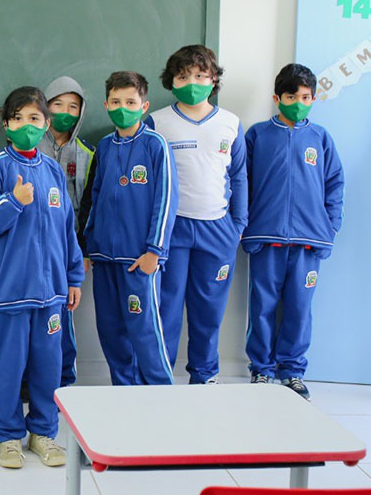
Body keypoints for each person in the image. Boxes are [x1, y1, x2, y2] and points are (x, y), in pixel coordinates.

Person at [0, 87, 84, 469]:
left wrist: (73, 278)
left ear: (46, 124)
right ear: (6, 124)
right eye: (17, 118)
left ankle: (43, 433)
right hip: (10, 292)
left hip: (51, 292)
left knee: (47, 367)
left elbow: (67, 230)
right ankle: (8, 436)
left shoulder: (53, 171)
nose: (26, 126)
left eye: (34, 119)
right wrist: (14, 203)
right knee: (9, 367)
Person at [145, 45, 247, 384]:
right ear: (171, 80)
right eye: (183, 75)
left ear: (214, 79)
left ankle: (204, 377)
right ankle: (162, 379)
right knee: (167, 310)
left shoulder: (230, 123)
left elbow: (240, 176)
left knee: (209, 312)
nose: (193, 82)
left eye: (201, 76)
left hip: (217, 229)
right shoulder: (156, 121)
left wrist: (238, 226)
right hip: (172, 230)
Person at [242, 64, 344, 399]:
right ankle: (262, 369)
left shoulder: (321, 138)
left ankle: (293, 371)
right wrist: (246, 228)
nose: (297, 102)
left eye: (304, 97)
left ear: (314, 98)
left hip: (308, 243)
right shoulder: (258, 135)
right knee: (262, 307)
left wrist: (329, 229)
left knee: (300, 308)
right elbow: (244, 184)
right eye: (290, 96)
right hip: (266, 239)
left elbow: (334, 185)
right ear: (277, 98)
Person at [84, 71, 177, 387]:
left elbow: (166, 200)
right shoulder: (105, 146)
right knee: (111, 333)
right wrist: (88, 247)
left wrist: (154, 251)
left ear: (144, 105)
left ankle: (163, 399)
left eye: (130, 101)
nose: (122, 107)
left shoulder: (156, 145)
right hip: (104, 258)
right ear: (106, 104)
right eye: (115, 101)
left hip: (139, 260)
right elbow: (93, 197)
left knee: (145, 333)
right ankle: (124, 396)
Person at [38, 76, 95, 388]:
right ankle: (27, 385)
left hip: (67, 251)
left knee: (62, 318)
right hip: (30, 250)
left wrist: (83, 252)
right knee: (31, 319)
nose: (64, 112)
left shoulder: (88, 154)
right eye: (57, 104)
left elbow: (88, 206)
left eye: (73, 106)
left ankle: (63, 382)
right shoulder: (27, 146)